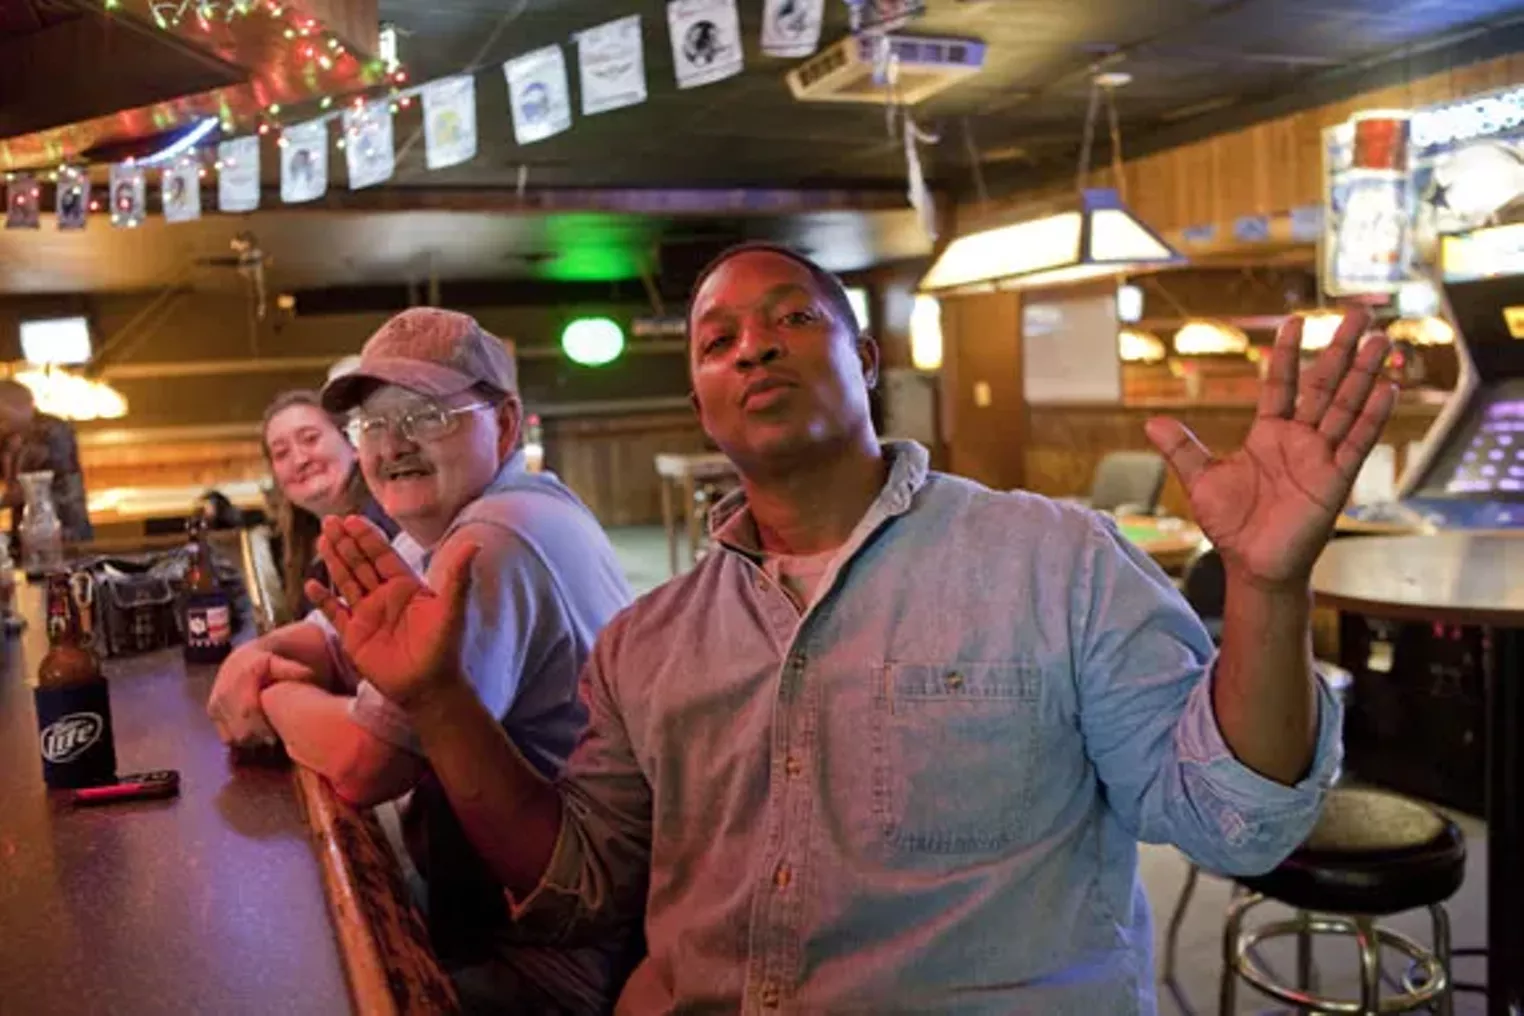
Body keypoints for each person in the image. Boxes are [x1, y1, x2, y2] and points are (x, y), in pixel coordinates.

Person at [307, 244, 1397, 1013]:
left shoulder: (1052, 558)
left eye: (793, 317)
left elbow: (1230, 819)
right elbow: (580, 884)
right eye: (717, 338)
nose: (754, 349)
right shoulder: (649, 642)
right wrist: (441, 703)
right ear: (700, 399)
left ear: (865, 358)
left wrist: (1265, 584)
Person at [207, 310, 635, 1013]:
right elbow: (330, 639)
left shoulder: (494, 541)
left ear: (504, 424)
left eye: (427, 414)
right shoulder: (454, 519)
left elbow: (365, 766)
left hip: (555, 960)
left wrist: (268, 689)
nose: (393, 443)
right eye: (373, 425)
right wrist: (262, 652)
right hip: (516, 920)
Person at [261, 389, 397, 621]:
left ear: (353, 445)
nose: (300, 460)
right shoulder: (308, 547)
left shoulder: (386, 526)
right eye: (282, 453)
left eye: (311, 439)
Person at [0, 379, 92, 544]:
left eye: (2, 415)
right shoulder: (10, 436)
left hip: (63, 530)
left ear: (22, 408)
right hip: (26, 531)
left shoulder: (52, 431)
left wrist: (4, 500)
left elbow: (34, 485)